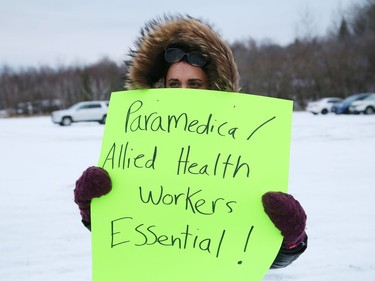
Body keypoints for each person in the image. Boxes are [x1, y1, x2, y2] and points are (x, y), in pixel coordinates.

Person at [74, 15, 307, 269]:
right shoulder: (137, 149)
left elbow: (257, 257)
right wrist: (92, 212)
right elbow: (124, 235)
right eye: (174, 84)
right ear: (159, 86)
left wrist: (291, 239)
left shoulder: (241, 150)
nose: (183, 93)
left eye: (194, 84)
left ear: (214, 87)